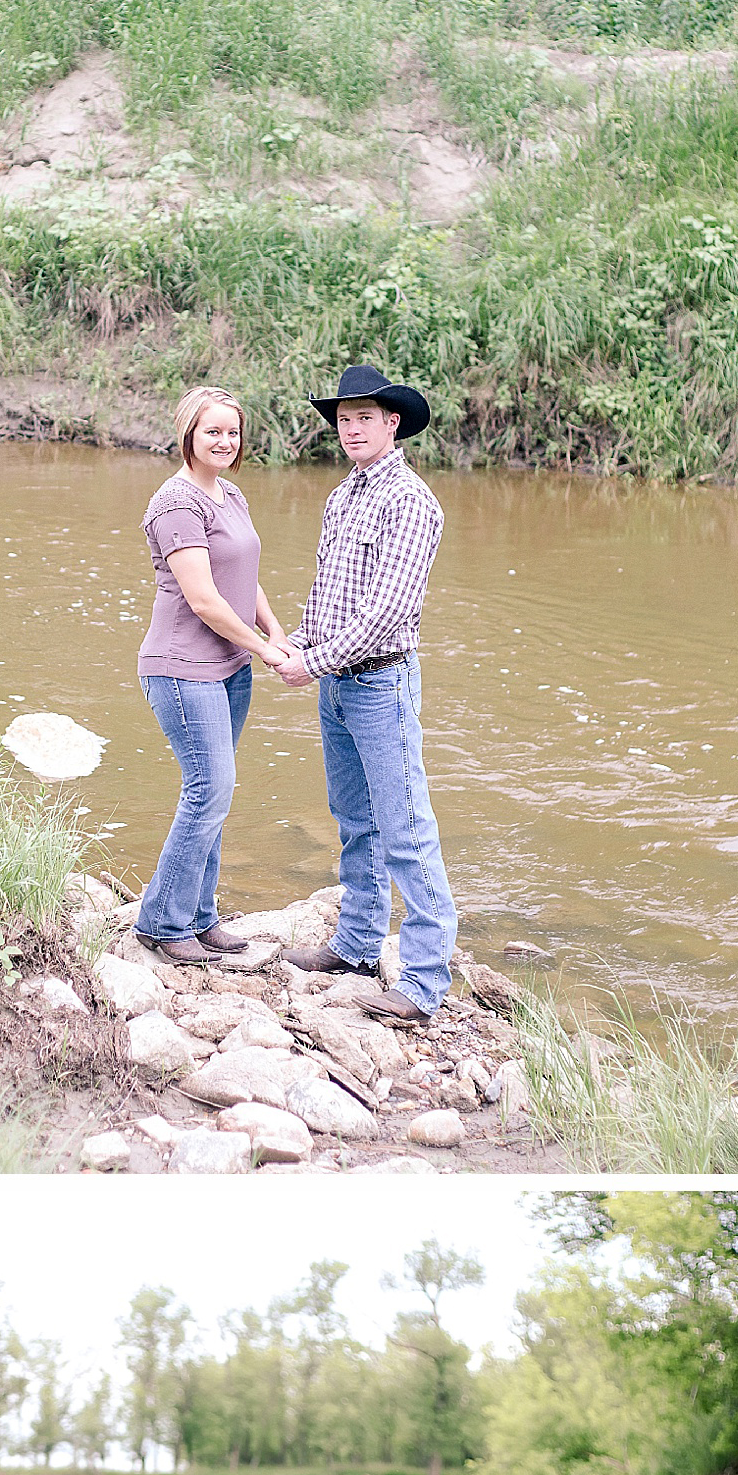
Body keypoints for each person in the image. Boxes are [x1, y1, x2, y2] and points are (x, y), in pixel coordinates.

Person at [272, 361, 458, 1028]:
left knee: (406, 832)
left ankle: (425, 982)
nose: (351, 429)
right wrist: (294, 644)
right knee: (354, 819)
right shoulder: (342, 496)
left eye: (364, 418)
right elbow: (328, 601)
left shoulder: (411, 503)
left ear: (392, 423)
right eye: (343, 420)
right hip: (338, 685)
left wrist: (309, 664)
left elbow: (384, 615)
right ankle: (354, 946)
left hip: (381, 681)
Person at [133, 387, 295, 966]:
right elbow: (203, 600)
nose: (225, 442)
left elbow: (242, 578)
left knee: (216, 793)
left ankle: (200, 918)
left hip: (229, 667)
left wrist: (274, 632)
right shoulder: (177, 504)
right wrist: (269, 653)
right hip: (183, 669)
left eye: (233, 432)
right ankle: (161, 922)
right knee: (209, 790)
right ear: (187, 437)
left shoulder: (229, 495)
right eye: (213, 432)